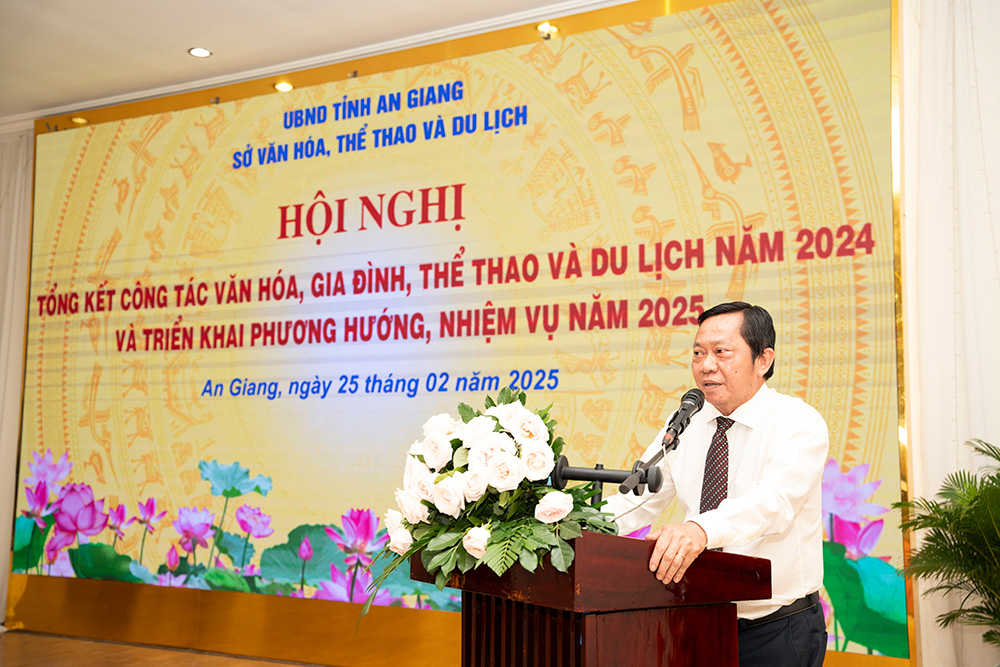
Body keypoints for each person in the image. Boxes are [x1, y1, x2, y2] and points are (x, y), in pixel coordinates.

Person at [602, 301, 829, 667]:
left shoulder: (797, 422)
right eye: (698, 353)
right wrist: (571, 524)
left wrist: (699, 529)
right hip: (698, 620)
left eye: (721, 352)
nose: (706, 365)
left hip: (777, 630)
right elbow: (638, 499)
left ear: (763, 360)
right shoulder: (685, 422)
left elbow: (773, 503)